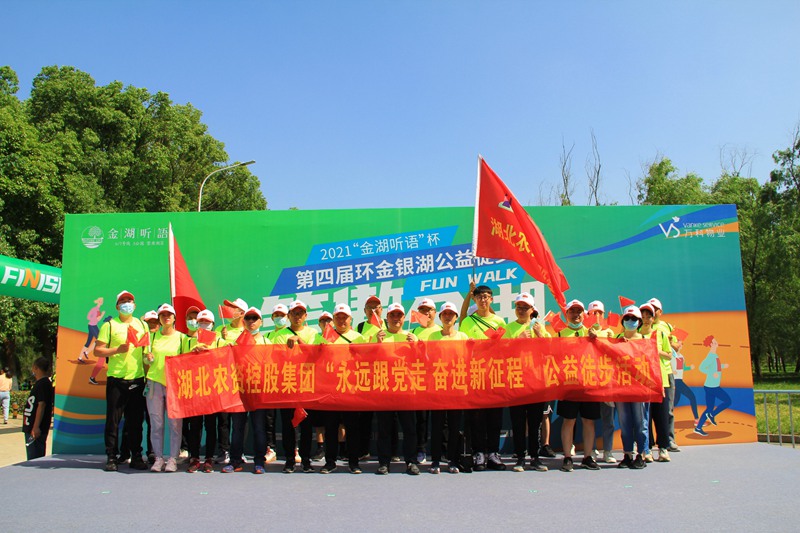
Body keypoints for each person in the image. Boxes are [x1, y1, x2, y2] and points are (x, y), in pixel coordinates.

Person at [94, 290, 149, 472]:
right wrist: (117, 350)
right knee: (113, 421)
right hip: (116, 380)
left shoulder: (142, 325)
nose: (127, 304)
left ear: (135, 305)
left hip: (137, 379)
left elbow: (145, 352)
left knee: (135, 422)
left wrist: (149, 359)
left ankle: (136, 456)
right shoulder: (109, 325)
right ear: (117, 306)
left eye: (130, 301)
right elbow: (98, 350)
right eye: (123, 301)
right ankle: (111, 456)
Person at [271, 300, 326, 473]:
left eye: (301, 313)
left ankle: (306, 460)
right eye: (294, 313)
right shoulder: (279, 335)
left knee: (306, 425)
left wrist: (299, 341)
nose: (297, 316)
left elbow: (318, 354)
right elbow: (276, 358)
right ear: (288, 316)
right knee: (288, 425)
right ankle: (289, 460)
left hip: (307, 385)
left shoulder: (313, 334)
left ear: (306, 316)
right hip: (287, 384)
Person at [459, 284, 507, 471]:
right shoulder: (467, 322)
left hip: (494, 374)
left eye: (486, 297)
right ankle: (478, 453)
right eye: (479, 297)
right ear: (475, 299)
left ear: (491, 299)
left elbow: (506, 348)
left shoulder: (499, 321)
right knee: (476, 417)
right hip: (475, 375)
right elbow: (461, 342)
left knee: (494, 416)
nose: (483, 300)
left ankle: (493, 453)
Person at [223, 308, 273, 475]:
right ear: (244, 321)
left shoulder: (266, 342)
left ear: (261, 322)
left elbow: (272, 366)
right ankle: (235, 461)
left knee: (259, 428)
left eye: (255, 318)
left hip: (259, 391)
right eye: (248, 318)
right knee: (237, 428)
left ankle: (259, 461)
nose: (251, 321)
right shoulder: (236, 342)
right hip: (240, 391)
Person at [373, 303, 420, 475]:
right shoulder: (380, 336)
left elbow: (422, 362)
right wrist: (376, 344)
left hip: (406, 388)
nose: (396, 318)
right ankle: (384, 462)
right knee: (384, 429)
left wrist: (415, 346)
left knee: (409, 429)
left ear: (404, 318)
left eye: (399, 315)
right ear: (387, 318)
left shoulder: (411, 337)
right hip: (385, 388)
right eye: (392, 315)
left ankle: (411, 462)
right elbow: (369, 361)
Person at [505, 293, 548, 472]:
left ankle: (535, 457)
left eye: (525, 307)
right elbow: (501, 352)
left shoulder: (539, 327)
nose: (521, 310)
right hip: (516, 380)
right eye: (519, 307)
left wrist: (539, 335)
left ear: (532, 310)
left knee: (535, 422)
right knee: (518, 422)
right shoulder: (508, 328)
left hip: (536, 381)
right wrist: (518, 340)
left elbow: (551, 350)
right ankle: (520, 458)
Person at [320, 303, 365, 474]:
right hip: (330, 389)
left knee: (352, 427)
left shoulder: (358, 338)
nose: (341, 320)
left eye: (344, 317)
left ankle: (353, 462)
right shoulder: (325, 336)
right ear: (333, 319)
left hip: (350, 389)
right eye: (338, 317)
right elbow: (315, 358)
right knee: (330, 427)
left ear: (350, 319)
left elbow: (365, 362)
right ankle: (330, 462)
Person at [557, 299, 601, 472]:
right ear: (566, 314)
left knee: (589, 421)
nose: (576, 315)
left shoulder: (591, 333)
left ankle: (587, 457)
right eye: (572, 311)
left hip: (589, 383)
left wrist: (596, 339)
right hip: (569, 385)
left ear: (584, 314)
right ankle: (568, 457)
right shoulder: (560, 334)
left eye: (579, 311)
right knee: (569, 421)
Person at [426, 302, 468, 474]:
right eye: (445, 314)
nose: (448, 317)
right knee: (437, 427)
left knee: (454, 426)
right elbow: (428, 360)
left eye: (451, 314)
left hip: (457, 387)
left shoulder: (463, 337)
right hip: (438, 387)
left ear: (456, 317)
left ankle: (453, 460)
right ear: (440, 317)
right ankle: (435, 461)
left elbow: (469, 360)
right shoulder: (433, 337)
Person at [184, 309, 227, 473]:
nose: (204, 325)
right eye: (201, 322)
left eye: (207, 322)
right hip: (194, 388)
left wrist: (209, 353)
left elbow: (225, 361)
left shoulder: (219, 341)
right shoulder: (189, 341)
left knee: (210, 425)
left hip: (212, 388)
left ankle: (209, 458)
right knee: (195, 425)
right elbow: (180, 362)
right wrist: (193, 354)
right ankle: (194, 458)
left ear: (213, 324)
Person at [145, 304, 186, 473]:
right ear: (159, 319)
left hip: (174, 385)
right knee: (156, 424)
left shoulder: (182, 338)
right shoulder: (152, 337)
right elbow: (145, 360)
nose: (166, 317)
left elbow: (188, 360)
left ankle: (173, 459)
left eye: (169, 314)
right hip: (154, 383)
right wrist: (147, 358)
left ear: (174, 318)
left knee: (175, 424)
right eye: (163, 315)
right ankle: (158, 458)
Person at [614, 306, 648, 469]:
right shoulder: (617, 340)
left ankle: (642, 454)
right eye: (627, 318)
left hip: (640, 388)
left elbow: (652, 366)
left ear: (639, 322)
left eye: (634, 319)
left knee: (640, 422)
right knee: (624, 421)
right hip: (621, 387)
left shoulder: (645, 340)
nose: (630, 321)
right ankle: (627, 454)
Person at [409, 297, 441, 464]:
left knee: (440, 418)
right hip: (419, 379)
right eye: (422, 310)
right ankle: (420, 449)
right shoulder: (413, 332)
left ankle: (442, 450)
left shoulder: (441, 330)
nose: (426, 313)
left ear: (435, 312)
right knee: (421, 418)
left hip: (438, 378)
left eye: (429, 310)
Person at [639, 302, 672, 462]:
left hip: (660, 380)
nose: (646, 319)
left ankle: (663, 448)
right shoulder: (636, 334)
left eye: (648, 316)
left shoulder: (660, 334)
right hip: (642, 381)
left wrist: (655, 350)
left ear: (653, 318)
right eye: (643, 317)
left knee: (661, 416)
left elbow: (669, 354)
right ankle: (648, 448)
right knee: (645, 416)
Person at [586, 300, 618, 464]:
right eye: (593, 313)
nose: (597, 315)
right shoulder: (584, 331)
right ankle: (591, 450)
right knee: (589, 419)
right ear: (588, 314)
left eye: (599, 312)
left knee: (608, 419)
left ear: (604, 314)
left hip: (607, 381)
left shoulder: (610, 332)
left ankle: (608, 451)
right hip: (591, 380)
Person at [648, 298, 680, 452]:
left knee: (667, 409)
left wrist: (671, 342)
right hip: (648, 374)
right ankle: (647, 444)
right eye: (650, 309)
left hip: (665, 372)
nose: (652, 312)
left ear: (660, 312)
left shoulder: (666, 327)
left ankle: (669, 440)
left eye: (655, 309)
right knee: (647, 411)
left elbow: (676, 347)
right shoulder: (642, 327)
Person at [694, 337, 731, 437]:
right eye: (715, 342)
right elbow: (701, 368)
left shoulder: (715, 355)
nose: (717, 343)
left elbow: (715, 366)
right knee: (728, 401)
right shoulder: (710, 356)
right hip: (712, 386)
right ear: (711, 345)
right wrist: (711, 373)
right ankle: (712, 415)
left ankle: (698, 428)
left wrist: (723, 366)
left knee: (709, 408)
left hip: (711, 386)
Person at [22, 357, 54, 460]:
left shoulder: (43, 384)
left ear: (36, 368)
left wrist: (36, 426)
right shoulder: (40, 383)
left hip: (35, 428)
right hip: (30, 425)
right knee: (32, 455)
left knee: (34, 457)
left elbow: (42, 405)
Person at [672, 340, 700, 426]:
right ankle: (697, 419)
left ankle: (665, 417)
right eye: (679, 343)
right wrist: (672, 371)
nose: (681, 345)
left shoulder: (682, 356)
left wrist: (689, 368)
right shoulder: (671, 355)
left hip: (680, 379)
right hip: (676, 380)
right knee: (692, 397)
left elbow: (682, 368)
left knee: (675, 401)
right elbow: (666, 367)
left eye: (682, 344)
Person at [77, 297, 105, 363]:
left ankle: (80, 357)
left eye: (102, 301)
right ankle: (86, 352)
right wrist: (101, 315)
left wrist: (100, 316)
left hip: (93, 325)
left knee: (88, 342)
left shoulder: (98, 310)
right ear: (98, 302)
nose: (101, 302)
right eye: (100, 301)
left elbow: (98, 319)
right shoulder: (95, 309)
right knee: (99, 339)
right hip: (92, 326)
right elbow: (89, 317)